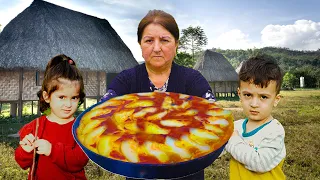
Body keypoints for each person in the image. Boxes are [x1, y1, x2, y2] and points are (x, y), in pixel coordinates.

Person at [100, 9, 215, 180]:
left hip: (186, 173)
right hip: (139, 173)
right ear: (140, 45)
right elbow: (104, 110)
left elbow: (213, 114)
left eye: (164, 40)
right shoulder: (127, 80)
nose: (156, 48)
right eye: (148, 40)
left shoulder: (192, 80)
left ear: (176, 44)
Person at [15, 54, 88, 180]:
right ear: (46, 96)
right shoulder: (34, 128)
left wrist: (52, 150)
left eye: (74, 98)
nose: (68, 104)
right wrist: (26, 151)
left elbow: (79, 161)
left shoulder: (81, 129)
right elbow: (22, 163)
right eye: (61, 97)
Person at [225, 55, 286, 180]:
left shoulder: (275, 131)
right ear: (239, 94)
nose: (254, 104)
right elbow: (216, 150)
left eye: (263, 97)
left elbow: (260, 163)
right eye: (247, 95)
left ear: (276, 99)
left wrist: (233, 139)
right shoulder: (235, 126)